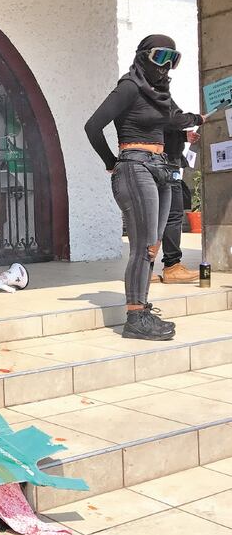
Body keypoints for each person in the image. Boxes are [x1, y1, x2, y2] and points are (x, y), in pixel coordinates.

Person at [85, 35, 205, 341]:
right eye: (160, 56)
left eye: (172, 59)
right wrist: (111, 161)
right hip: (135, 166)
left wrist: (193, 122)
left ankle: (142, 307)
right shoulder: (129, 86)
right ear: (142, 56)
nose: (166, 66)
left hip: (161, 168)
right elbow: (92, 125)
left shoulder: (159, 94)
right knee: (141, 247)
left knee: (152, 247)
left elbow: (173, 122)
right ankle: (135, 318)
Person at [151, 124, 201, 284]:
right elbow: (171, 121)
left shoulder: (146, 103)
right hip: (164, 163)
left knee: (158, 216)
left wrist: (182, 135)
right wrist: (185, 132)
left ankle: (145, 268)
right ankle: (171, 266)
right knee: (172, 215)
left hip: (163, 162)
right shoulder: (159, 102)